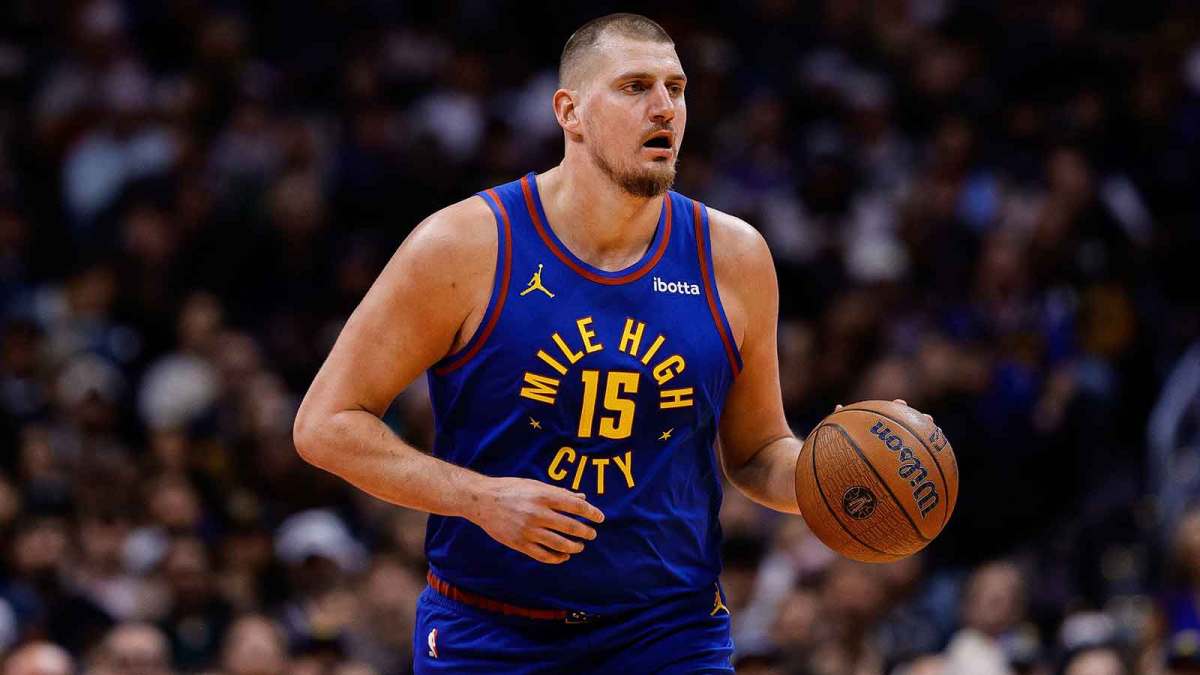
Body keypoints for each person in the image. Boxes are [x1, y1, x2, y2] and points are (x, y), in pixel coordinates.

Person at [294, 12, 931, 672]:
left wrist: (839, 480)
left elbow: (757, 450)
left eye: (677, 88)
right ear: (569, 111)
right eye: (634, 87)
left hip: (669, 633)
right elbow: (324, 424)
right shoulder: (464, 247)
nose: (665, 108)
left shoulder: (735, 257)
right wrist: (479, 498)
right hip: (491, 632)